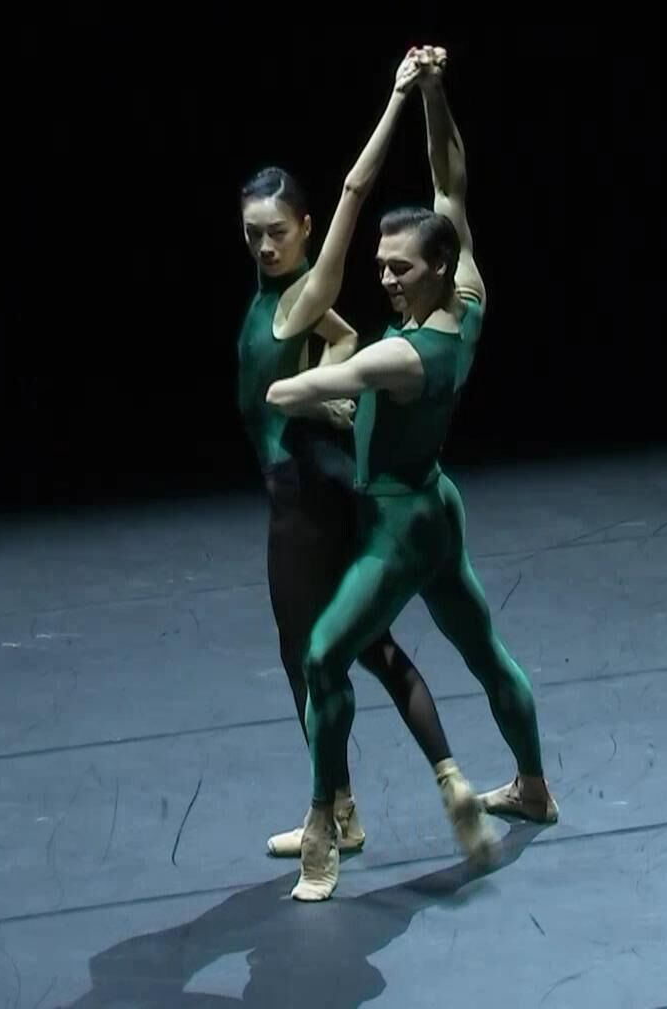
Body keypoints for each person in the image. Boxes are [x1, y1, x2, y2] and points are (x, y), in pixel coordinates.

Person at [268, 47, 557, 902]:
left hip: (397, 527)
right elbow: (450, 184)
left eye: (400, 268)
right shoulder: (467, 299)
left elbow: (288, 391)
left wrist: (309, 352)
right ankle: (533, 786)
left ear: (435, 266)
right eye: (382, 265)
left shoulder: (401, 356)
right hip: (437, 504)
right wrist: (434, 92)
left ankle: (324, 831)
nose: (386, 277)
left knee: (324, 656)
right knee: (484, 652)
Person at [236, 50, 467, 862]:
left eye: (278, 232)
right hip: (312, 476)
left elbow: (354, 190)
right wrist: (329, 395)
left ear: (304, 229)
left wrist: (399, 98)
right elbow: (343, 340)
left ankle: (332, 820)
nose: (265, 246)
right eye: (252, 234)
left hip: (300, 494)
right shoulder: (286, 302)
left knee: (309, 654)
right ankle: (427, 782)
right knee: (362, 646)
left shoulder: (301, 294)